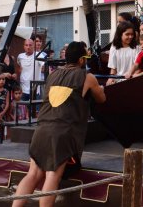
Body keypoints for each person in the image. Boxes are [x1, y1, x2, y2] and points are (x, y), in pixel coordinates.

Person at [12, 41, 106, 207]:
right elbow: (101, 99)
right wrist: (102, 88)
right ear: (82, 60)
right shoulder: (87, 77)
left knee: (33, 174)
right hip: (63, 133)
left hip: (41, 129)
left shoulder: (52, 75)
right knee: (52, 176)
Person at [17, 36, 46, 102]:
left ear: (33, 46)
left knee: (35, 111)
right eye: (26, 45)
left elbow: (44, 65)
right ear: (23, 46)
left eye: (30, 45)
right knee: (23, 111)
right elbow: (19, 67)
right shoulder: (20, 56)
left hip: (34, 89)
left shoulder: (38, 55)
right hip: (23, 89)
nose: (28, 47)